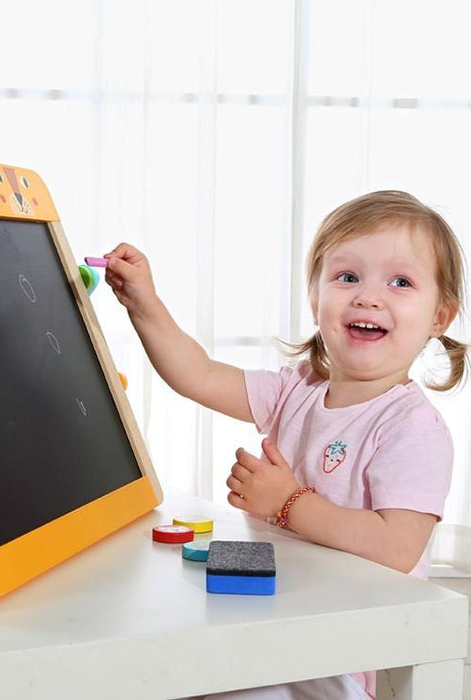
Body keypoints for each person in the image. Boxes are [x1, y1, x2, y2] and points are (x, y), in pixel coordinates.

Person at [102, 190, 468, 699]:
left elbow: (397, 548)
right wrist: (144, 304)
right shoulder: (296, 390)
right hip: (262, 628)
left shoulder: (411, 427)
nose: (368, 296)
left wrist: (289, 503)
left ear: (439, 318)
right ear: (315, 295)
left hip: (323, 661)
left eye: (400, 282)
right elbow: (198, 373)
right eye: (346, 277)